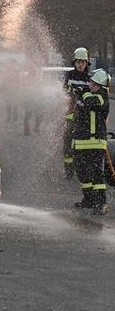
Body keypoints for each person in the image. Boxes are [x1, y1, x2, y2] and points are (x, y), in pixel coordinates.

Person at [73, 68, 111, 215]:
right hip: (82, 141)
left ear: (101, 86)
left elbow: (90, 101)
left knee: (96, 174)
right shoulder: (87, 95)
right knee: (82, 173)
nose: (90, 85)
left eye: (94, 84)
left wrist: (82, 93)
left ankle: (101, 203)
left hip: (95, 142)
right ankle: (88, 199)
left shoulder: (102, 97)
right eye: (90, 82)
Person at [63, 47, 90, 178]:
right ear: (74, 62)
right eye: (78, 62)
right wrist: (70, 92)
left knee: (81, 143)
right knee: (67, 141)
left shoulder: (89, 78)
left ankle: (81, 166)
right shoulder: (69, 75)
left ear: (86, 63)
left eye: (83, 62)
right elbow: (64, 91)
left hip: (84, 117)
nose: (80, 64)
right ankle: (68, 170)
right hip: (70, 115)